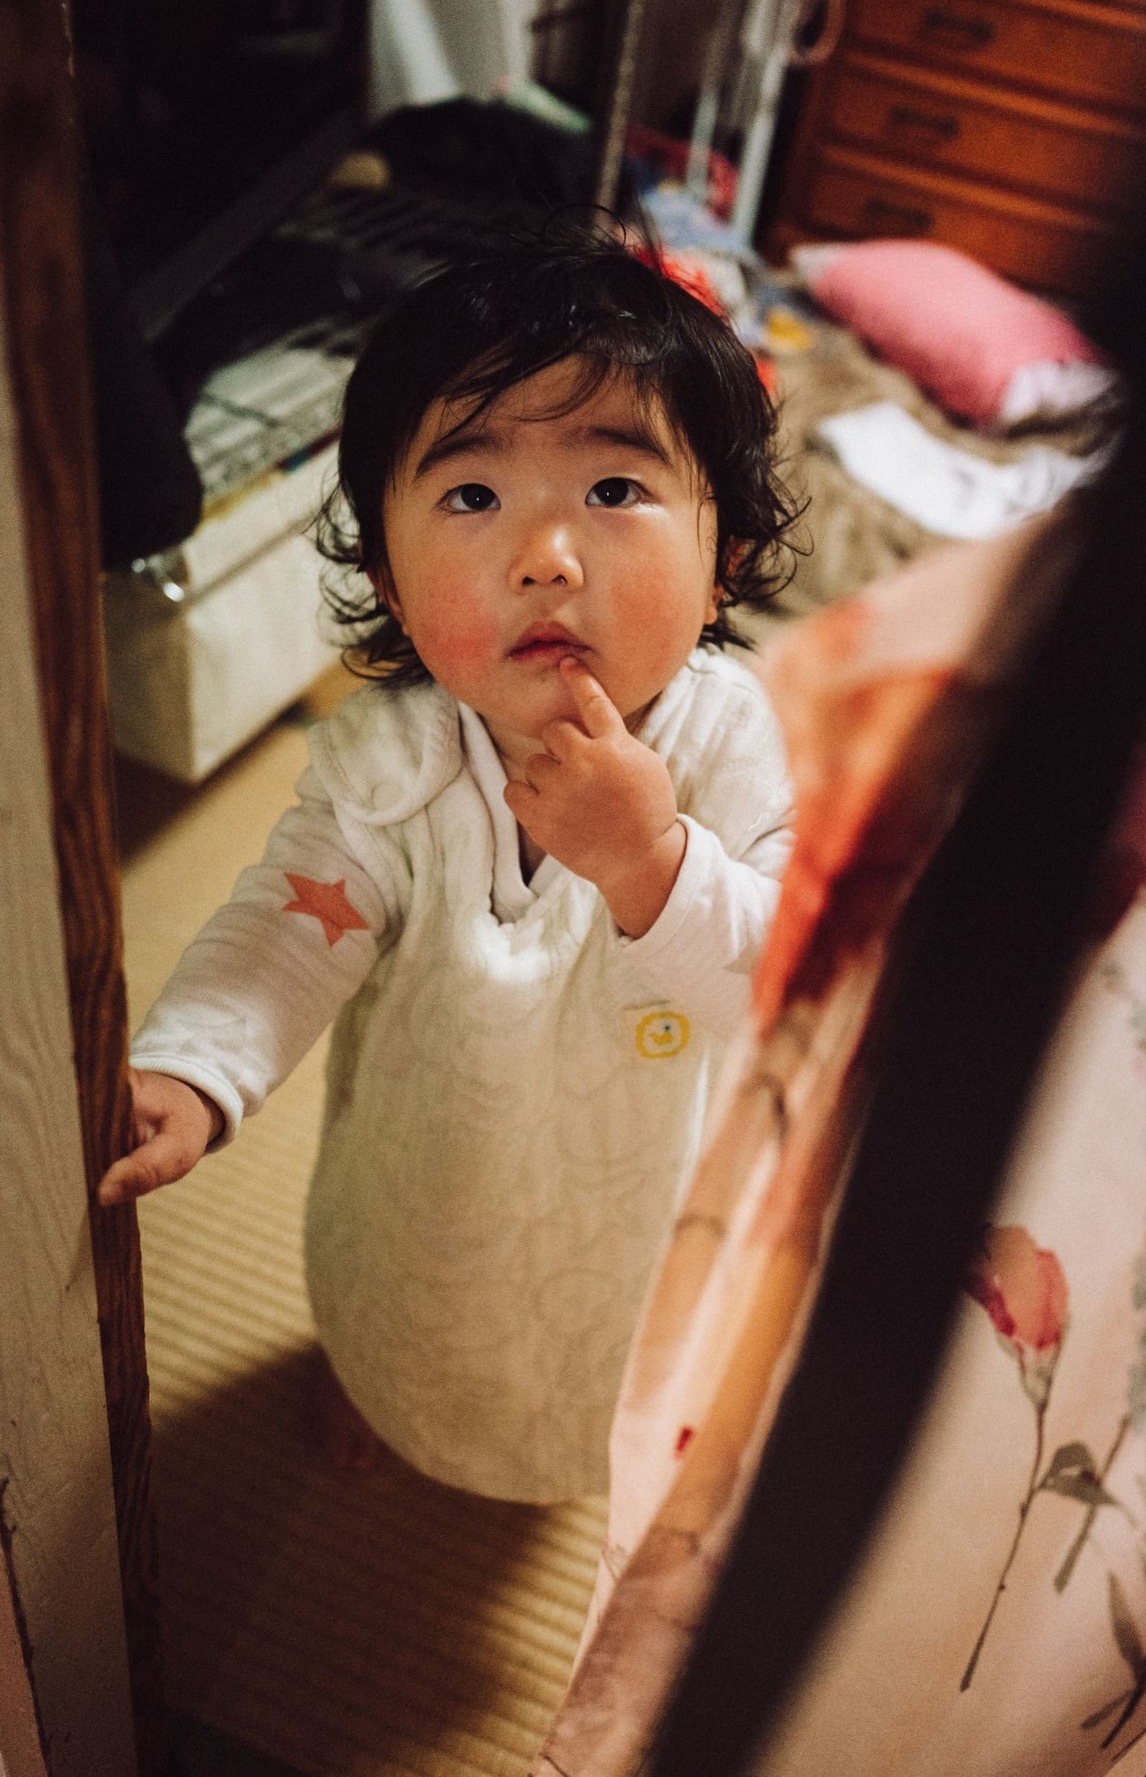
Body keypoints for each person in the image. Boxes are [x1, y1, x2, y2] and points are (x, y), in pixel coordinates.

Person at [98, 224, 801, 1504]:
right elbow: (288, 924)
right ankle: (373, 1375)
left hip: (628, 1202)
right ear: (391, 577)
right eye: (471, 496)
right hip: (431, 1164)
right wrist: (194, 1068)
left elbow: (788, 995)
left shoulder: (736, 741)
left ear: (725, 563)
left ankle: (567, 1440)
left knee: (600, 1369)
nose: (546, 554)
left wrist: (650, 861)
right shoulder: (390, 757)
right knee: (401, 1312)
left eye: (616, 491)